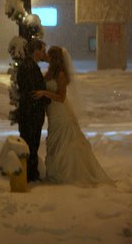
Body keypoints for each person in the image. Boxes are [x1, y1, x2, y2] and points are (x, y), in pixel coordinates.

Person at [33, 46, 113, 186]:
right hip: (52, 113)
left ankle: (67, 173)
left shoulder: (60, 75)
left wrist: (44, 93)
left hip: (60, 112)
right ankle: (56, 172)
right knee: (54, 140)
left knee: (65, 142)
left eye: (49, 55)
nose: (46, 56)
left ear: (55, 58)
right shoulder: (49, 72)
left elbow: (61, 97)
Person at [17, 38, 50, 182]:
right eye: (42, 51)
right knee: (31, 144)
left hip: (29, 113)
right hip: (31, 114)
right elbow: (33, 92)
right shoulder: (30, 67)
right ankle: (30, 175)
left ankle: (31, 173)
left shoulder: (28, 65)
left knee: (31, 144)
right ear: (36, 51)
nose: (44, 54)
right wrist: (46, 98)